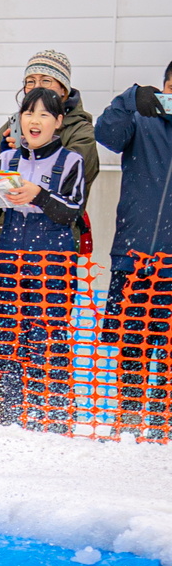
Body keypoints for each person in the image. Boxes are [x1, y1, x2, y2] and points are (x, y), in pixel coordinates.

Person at [0, 87, 85, 431]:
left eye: (44, 114)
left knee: (47, 335)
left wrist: (39, 194)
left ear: (59, 122)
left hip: (51, 262)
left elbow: (71, 212)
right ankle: (7, 413)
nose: (34, 121)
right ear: (19, 119)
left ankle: (52, 415)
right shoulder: (5, 159)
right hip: (9, 256)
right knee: (6, 334)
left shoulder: (71, 161)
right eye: (28, 113)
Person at [94, 61, 172, 439]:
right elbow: (106, 134)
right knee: (131, 345)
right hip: (134, 257)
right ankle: (126, 420)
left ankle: (162, 425)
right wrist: (130, 98)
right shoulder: (141, 121)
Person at [0, 50, 100, 249]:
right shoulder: (14, 125)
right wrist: (3, 159)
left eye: (46, 80)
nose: (37, 87)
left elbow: (75, 182)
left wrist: (34, 157)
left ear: (63, 89)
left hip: (55, 238)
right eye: (31, 81)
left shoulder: (81, 130)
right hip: (7, 236)